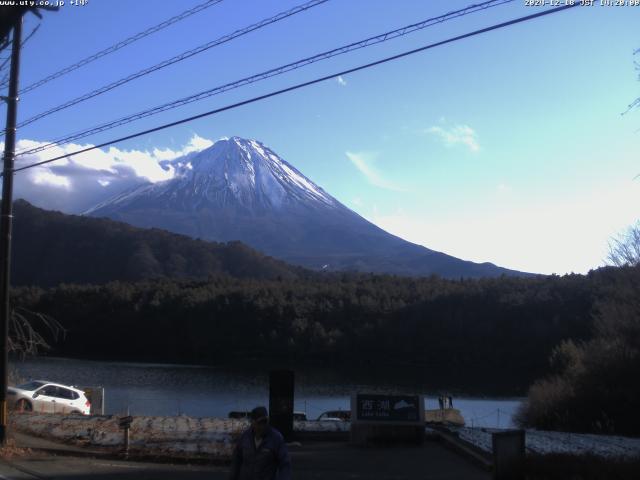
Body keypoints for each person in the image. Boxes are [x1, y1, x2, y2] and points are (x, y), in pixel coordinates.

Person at [229, 406, 291, 480]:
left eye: (265, 422)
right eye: (259, 423)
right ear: (252, 422)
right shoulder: (245, 437)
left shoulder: (276, 438)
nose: (263, 426)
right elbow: (236, 461)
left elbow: (285, 464)